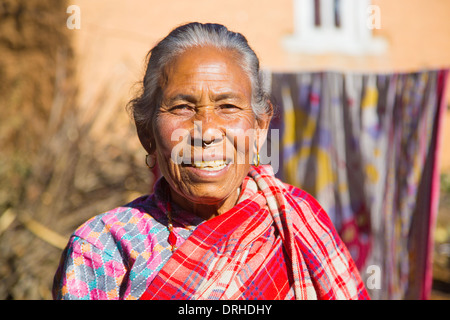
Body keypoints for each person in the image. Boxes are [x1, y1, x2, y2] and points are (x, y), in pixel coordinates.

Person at [52, 22, 369, 300]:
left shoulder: (298, 224)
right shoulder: (103, 247)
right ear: (146, 132)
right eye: (182, 107)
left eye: (228, 106)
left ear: (259, 128)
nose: (207, 133)